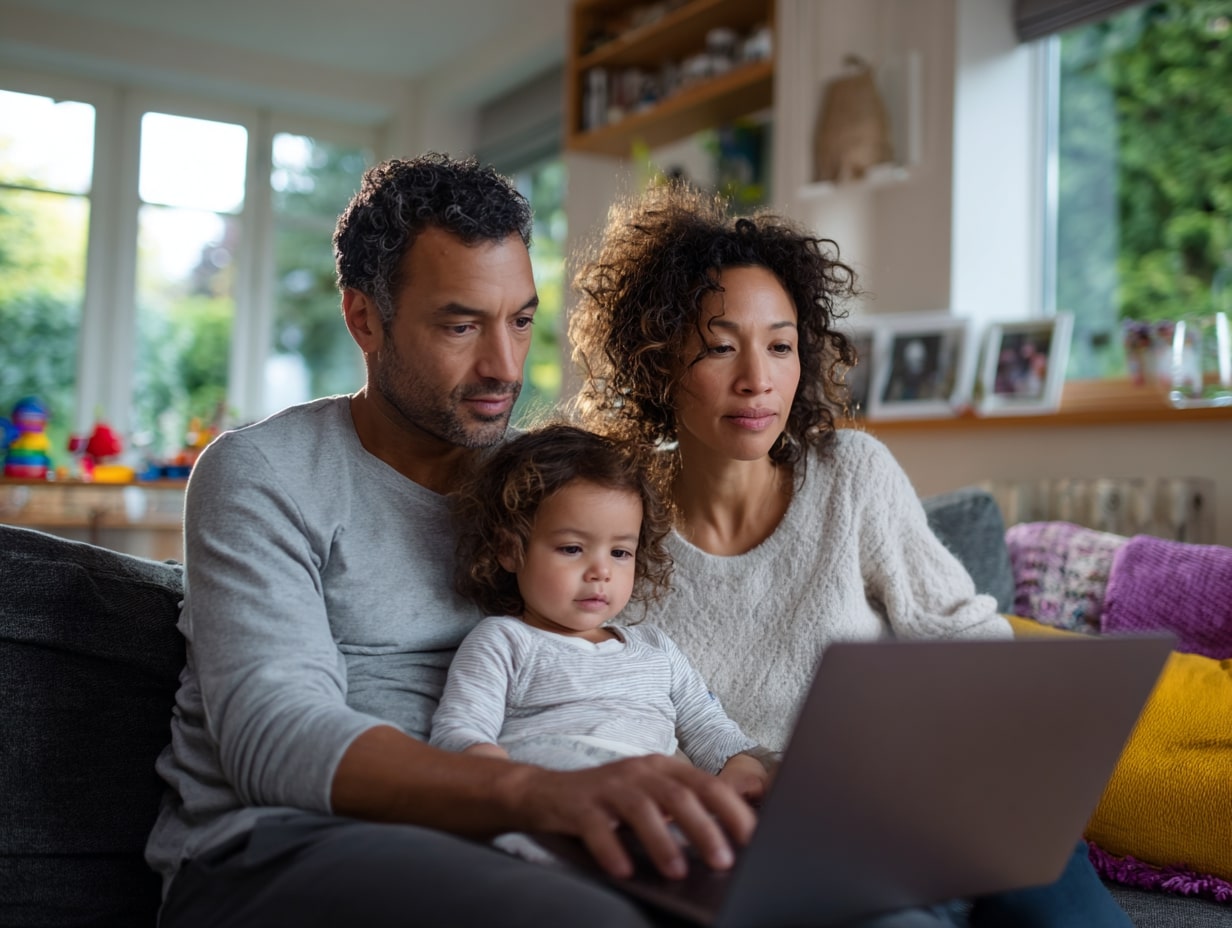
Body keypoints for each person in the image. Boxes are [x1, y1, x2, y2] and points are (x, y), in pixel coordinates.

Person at [143, 154, 761, 928]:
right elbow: (274, 737)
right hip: (277, 850)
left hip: (496, 839)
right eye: (461, 324)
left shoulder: (534, 491)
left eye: (522, 320)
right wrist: (541, 795)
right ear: (365, 318)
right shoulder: (262, 473)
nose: (505, 367)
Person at [568, 180, 1135, 928]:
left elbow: (974, 647)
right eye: (719, 346)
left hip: (928, 801)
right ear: (658, 360)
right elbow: (596, 718)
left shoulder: (851, 475)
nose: (757, 379)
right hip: (760, 849)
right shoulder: (611, 532)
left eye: (780, 345)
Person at [429, 423, 770, 801]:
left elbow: (714, 732)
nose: (601, 571)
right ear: (511, 550)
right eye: (572, 548)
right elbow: (459, 733)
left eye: (620, 553)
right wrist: (495, 774)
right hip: (555, 802)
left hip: (653, 806)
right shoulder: (503, 642)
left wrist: (741, 765)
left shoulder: (656, 650)